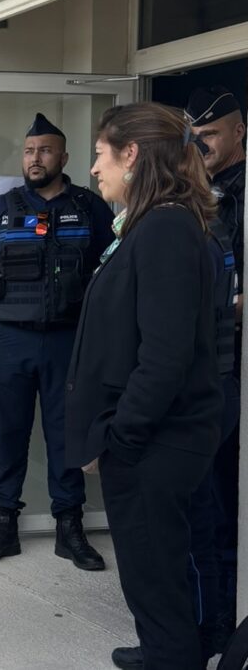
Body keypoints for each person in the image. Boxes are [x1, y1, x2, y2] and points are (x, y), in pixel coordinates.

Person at [67, 102, 223, 670]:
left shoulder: (166, 229)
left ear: (131, 155)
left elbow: (165, 355)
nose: (93, 169)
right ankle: (159, 650)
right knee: (150, 576)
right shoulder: (151, 224)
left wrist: (120, 438)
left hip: (155, 443)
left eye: (101, 154)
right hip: (146, 441)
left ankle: (169, 656)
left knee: (159, 583)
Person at [0, 113, 114, 569]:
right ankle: (2, 526)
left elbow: (110, 269)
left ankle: (69, 528)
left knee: (66, 435)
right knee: (8, 434)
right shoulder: (1, 209)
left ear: (64, 158)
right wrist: (10, 309)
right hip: (10, 342)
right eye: (30, 151)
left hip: (68, 341)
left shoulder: (91, 208)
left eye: (45, 150)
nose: (36, 158)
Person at [188, 85, 246, 649]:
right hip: (211, 367)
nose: (199, 143)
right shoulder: (195, 194)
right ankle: (208, 624)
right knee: (205, 503)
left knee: (225, 503)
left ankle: (224, 625)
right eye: (193, 135)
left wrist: (218, 299)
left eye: (208, 134)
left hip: (233, 365)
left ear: (239, 133)